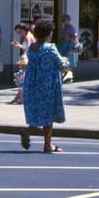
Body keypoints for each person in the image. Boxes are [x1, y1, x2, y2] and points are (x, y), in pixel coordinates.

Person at [19, 18, 69, 154]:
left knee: (37, 115)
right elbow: (62, 66)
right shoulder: (50, 48)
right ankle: (47, 145)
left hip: (32, 86)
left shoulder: (31, 48)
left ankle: (30, 131)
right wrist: (66, 60)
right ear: (48, 33)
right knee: (48, 117)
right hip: (47, 86)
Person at [9, 22, 34, 105]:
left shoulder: (28, 37)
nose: (19, 34)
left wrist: (24, 57)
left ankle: (21, 97)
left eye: (19, 32)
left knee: (23, 79)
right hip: (28, 60)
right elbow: (26, 48)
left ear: (24, 30)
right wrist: (19, 45)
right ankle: (18, 97)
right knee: (23, 79)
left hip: (28, 61)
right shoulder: (28, 36)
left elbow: (29, 50)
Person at [59, 14, 78, 82]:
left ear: (69, 20)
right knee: (62, 60)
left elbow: (75, 37)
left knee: (69, 61)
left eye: (65, 20)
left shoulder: (71, 28)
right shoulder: (64, 28)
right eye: (62, 20)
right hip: (63, 45)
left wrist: (68, 38)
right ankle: (64, 75)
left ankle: (69, 77)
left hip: (69, 46)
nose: (63, 22)